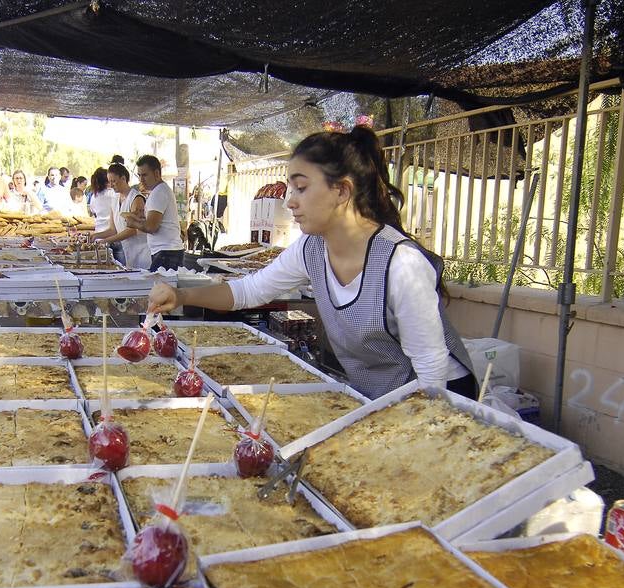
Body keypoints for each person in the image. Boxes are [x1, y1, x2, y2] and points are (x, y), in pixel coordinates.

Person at [148, 126, 476, 400]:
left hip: (440, 396)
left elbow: (432, 376)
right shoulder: (311, 248)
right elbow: (249, 291)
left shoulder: (401, 264)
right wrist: (182, 296)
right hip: (378, 395)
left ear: (342, 191)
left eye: (301, 188)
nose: (289, 201)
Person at [125, 154, 185, 270]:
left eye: (145, 175)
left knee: (160, 288)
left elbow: (151, 227)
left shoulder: (159, 192)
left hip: (166, 252)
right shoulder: (160, 191)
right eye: (139, 175)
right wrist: (140, 219)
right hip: (166, 251)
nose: (141, 180)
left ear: (156, 173)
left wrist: (133, 223)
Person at [92, 162, 149, 269]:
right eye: (109, 182)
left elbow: (132, 230)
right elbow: (113, 230)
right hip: (127, 251)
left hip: (141, 252)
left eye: (114, 181)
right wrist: (96, 236)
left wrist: (106, 241)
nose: (111, 185)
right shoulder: (114, 199)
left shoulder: (136, 198)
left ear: (123, 178)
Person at [86, 167, 114, 235]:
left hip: (98, 233)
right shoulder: (114, 194)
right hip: (112, 234)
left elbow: (93, 211)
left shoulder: (94, 196)